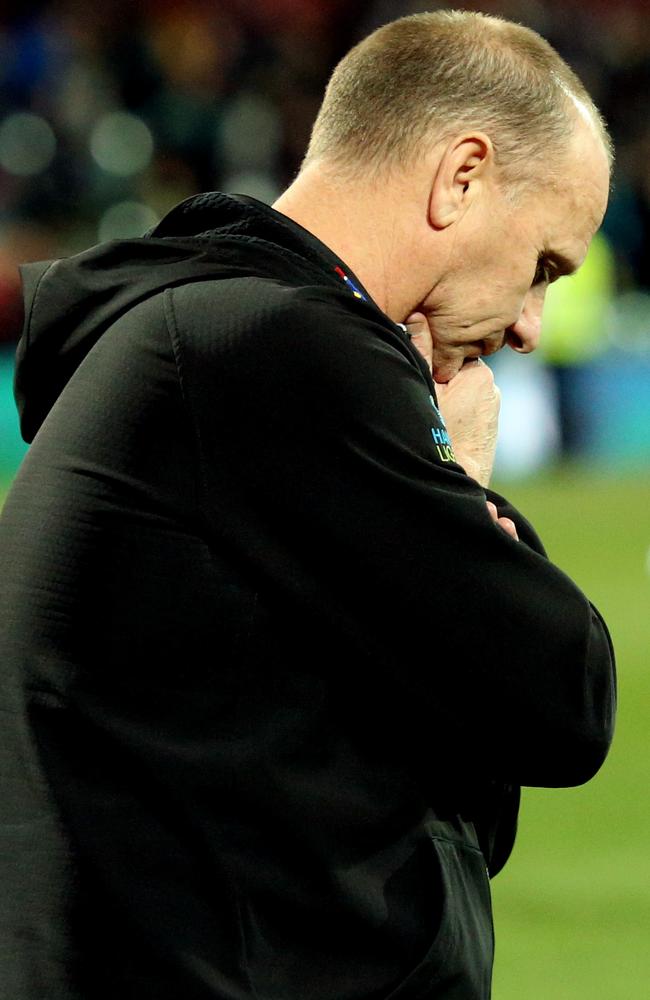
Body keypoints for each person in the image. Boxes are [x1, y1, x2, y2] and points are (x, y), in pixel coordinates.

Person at [0, 10, 616, 1000]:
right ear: (460, 176)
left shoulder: (203, 335)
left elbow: (475, 789)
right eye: (542, 265)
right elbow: (560, 700)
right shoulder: (273, 348)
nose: (531, 328)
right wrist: (458, 483)